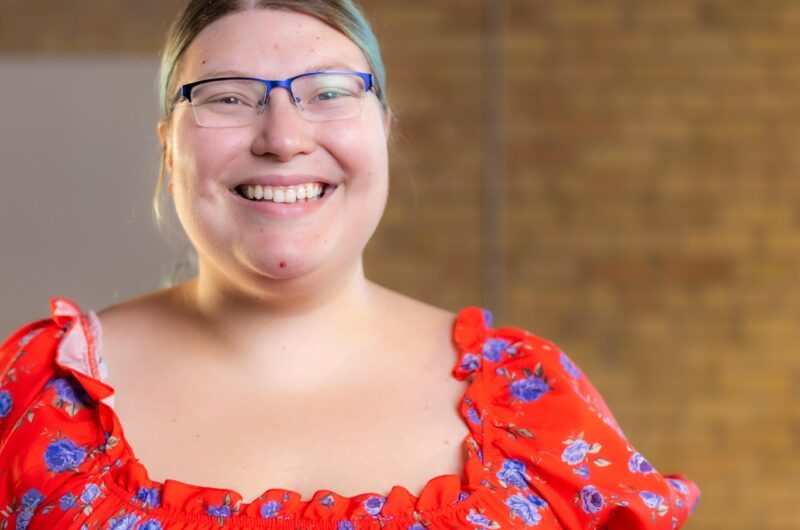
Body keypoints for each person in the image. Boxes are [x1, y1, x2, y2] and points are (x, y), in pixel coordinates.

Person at [0, 1, 699, 528]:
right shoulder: (36, 399)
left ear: (385, 129)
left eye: (329, 91)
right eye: (227, 98)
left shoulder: (532, 402)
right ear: (166, 148)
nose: (282, 136)